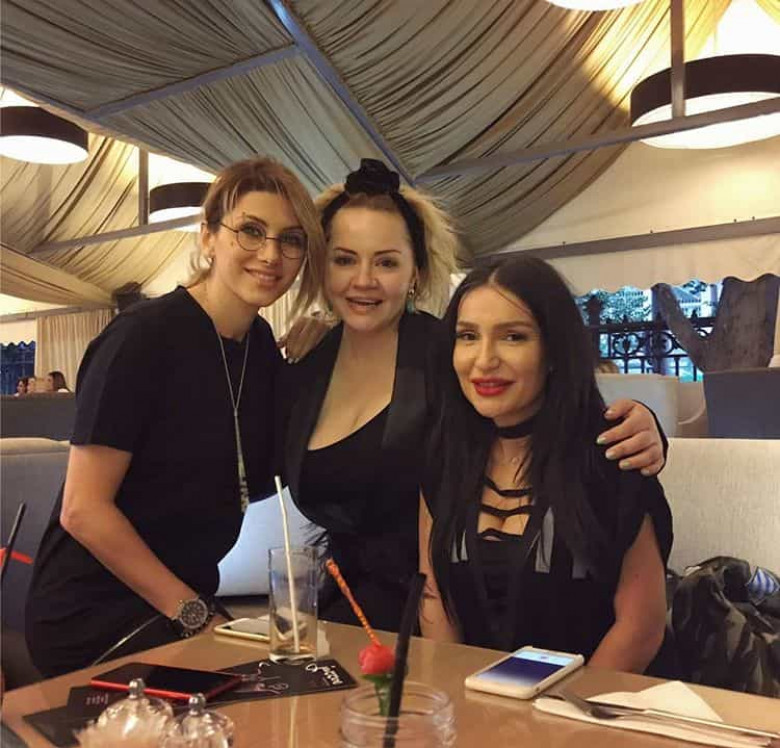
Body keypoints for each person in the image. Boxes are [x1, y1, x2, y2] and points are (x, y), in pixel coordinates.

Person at [281, 159, 667, 633]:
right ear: (321, 267)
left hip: (454, 611)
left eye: (386, 262)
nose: (363, 280)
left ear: (416, 271)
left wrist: (647, 423)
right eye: (344, 259)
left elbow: (550, 409)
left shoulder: (453, 354)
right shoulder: (306, 365)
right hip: (344, 610)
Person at [26, 157, 325, 677]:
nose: (271, 254)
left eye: (291, 239)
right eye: (251, 231)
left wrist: (323, 353)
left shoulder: (259, 348)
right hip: (94, 615)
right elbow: (83, 510)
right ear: (208, 237)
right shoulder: (143, 337)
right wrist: (193, 615)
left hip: (184, 603)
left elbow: (265, 472)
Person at [419, 256, 672, 674]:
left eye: (513, 337)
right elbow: (435, 600)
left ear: (554, 350)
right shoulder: (444, 454)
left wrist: (561, 709)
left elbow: (641, 628)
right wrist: (454, 696)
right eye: (468, 336)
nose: (484, 359)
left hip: (592, 701)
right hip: (472, 699)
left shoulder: (612, 453)